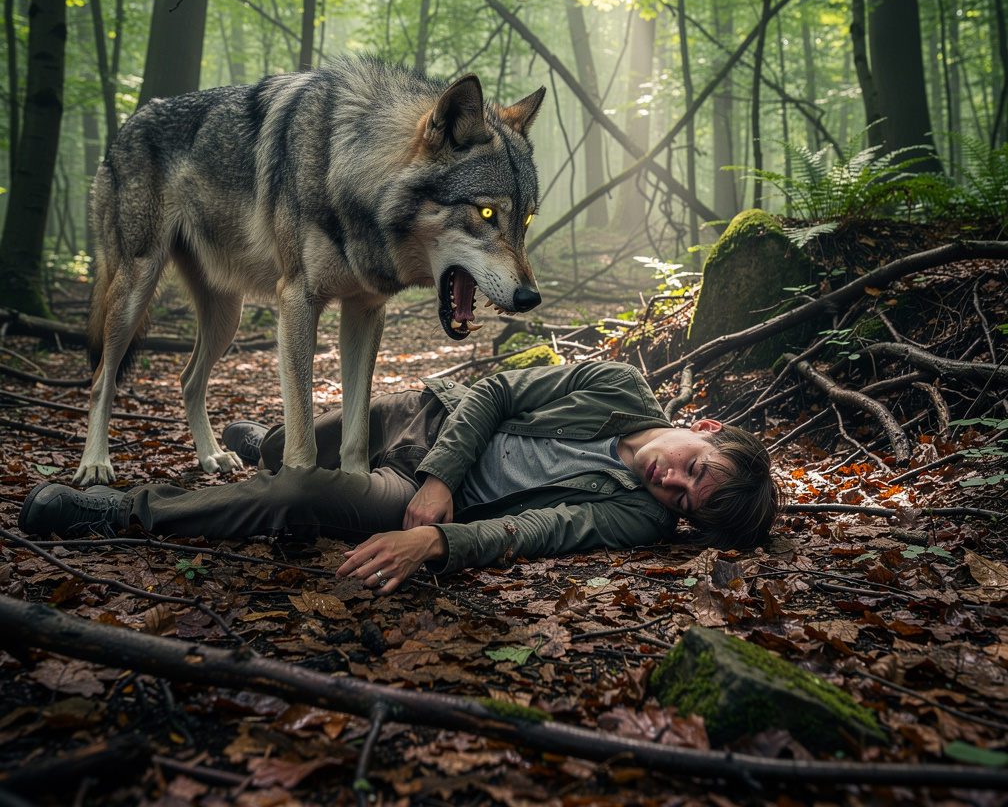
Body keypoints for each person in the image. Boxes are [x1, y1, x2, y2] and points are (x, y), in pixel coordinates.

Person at [19, 361, 779, 593]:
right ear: (704, 429)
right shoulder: (617, 387)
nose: (672, 482)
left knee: (299, 491)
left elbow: (539, 528)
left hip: (409, 502)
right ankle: (264, 445)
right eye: (694, 467)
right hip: (423, 418)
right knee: (289, 442)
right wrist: (447, 470)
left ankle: (117, 510)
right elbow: (497, 391)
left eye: (685, 500)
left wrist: (438, 540)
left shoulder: (638, 515)